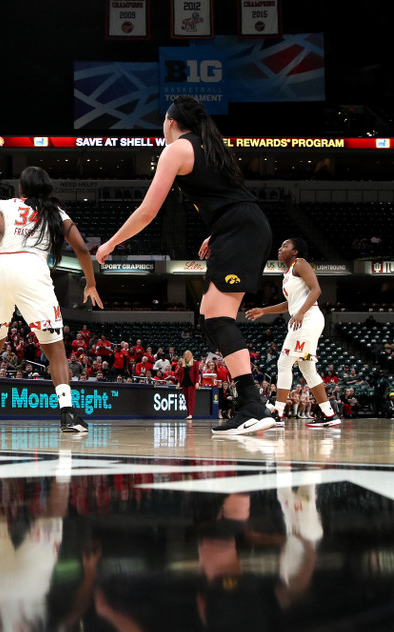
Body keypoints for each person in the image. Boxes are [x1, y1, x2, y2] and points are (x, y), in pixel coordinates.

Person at [95, 95, 274, 435]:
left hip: (239, 229)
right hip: (240, 226)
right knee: (210, 315)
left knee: (218, 317)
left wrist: (111, 242)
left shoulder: (176, 149)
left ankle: (252, 404)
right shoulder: (210, 145)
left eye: (163, 121)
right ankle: (250, 401)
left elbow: (148, 211)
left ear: (171, 122)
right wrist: (216, 233)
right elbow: (226, 196)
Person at [0, 166, 102, 432]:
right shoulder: (56, 213)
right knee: (55, 348)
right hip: (32, 272)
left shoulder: (2, 204)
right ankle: (67, 414)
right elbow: (83, 249)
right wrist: (91, 283)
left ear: (21, 188)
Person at [245, 238, 339, 428]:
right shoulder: (287, 273)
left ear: (295, 252)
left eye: (285, 246)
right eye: (280, 246)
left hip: (308, 318)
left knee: (284, 362)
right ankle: (329, 414)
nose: (280, 249)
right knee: (307, 369)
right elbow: (290, 304)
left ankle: (278, 412)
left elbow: (316, 289)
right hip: (303, 318)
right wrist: (264, 310)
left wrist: (302, 312)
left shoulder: (300, 264)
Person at [177, 349, 199, 420]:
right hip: (184, 382)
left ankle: (191, 414)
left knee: (191, 399)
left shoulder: (195, 363)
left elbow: (197, 374)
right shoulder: (182, 363)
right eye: (185, 354)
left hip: (191, 383)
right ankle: (188, 413)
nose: (187, 355)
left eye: (188, 354)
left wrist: (197, 382)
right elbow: (180, 374)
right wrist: (179, 382)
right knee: (186, 399)